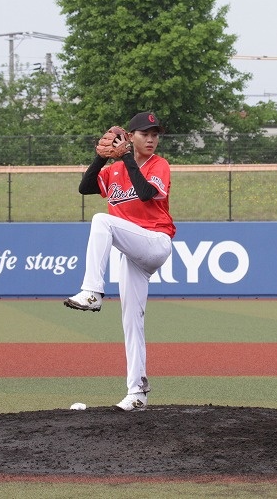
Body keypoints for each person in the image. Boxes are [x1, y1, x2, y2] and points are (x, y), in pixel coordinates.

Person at [64, 112, 175, 412]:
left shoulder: (159, 164)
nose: (151, 139)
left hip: (155, 242)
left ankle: (92, 292)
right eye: (144, 134)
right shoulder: (114, 170)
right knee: (131, 321)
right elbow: (85, 187)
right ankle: (137, 393)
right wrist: (100, 158)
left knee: (102, 220)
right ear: (130, 136)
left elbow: (146, 193)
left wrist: (126, 157)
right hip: (133, 251)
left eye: (155, 134)